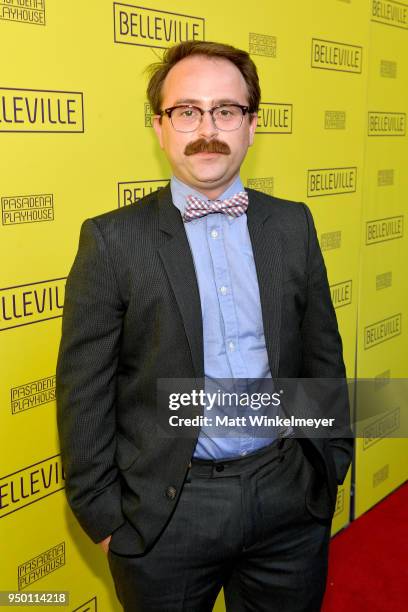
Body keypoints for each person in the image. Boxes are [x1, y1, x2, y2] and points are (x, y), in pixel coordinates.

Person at [56, 40, 353, 612]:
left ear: (251, 125)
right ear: (160, 127)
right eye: (186, 111)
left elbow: (322, 353)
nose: (207, 128)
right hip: (166, 513)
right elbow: (83, 391)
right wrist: (104, 516)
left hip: (289, 498)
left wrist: (328, 462)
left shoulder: (292, 224)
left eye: (226, 110)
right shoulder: (112, 241)